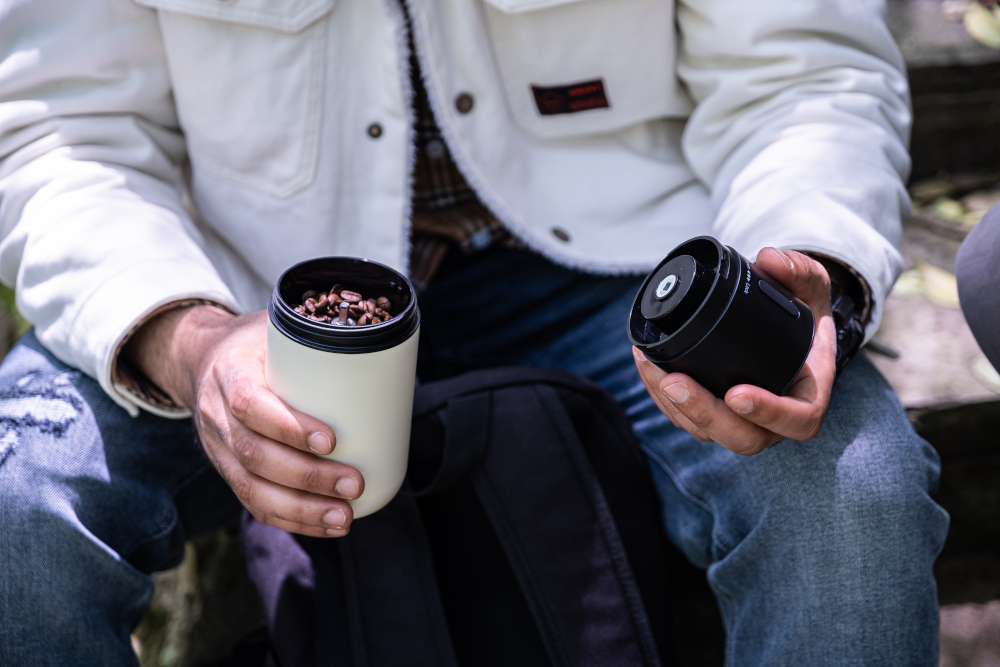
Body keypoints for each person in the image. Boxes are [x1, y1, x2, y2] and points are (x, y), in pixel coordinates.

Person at [0, 0, 948, 665]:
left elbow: (799, 70)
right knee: (20, 503)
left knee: (848, 494)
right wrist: (184, 337)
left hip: (619, 272)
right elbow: (60, 128)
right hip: (229, 288)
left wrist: (784, 273)